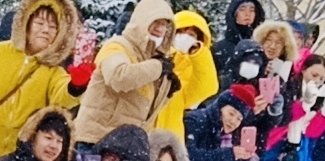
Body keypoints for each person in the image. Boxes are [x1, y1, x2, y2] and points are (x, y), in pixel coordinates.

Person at [0, 0, 81, 161]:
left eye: (53, 27)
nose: (46, 30)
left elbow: (63, 99)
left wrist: (76, 85)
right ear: (26, 24)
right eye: (39, 23)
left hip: (18, 160)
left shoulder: (54, 71)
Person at [71, 0, 177, 149]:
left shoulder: (153, 60)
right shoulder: (116, 46)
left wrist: (166, 92)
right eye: (155, 21)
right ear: (142, 20)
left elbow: (143, 113)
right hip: (94, 141)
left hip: (125, 148)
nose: (160, 28)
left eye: (165, 24)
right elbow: (119, 77)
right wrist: (157, 67)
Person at [153, 10, 216, 140]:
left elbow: (208, 86)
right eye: (180, 31)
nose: (184, 37)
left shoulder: (193, 71)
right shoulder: (152, 54)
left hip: (168, 140)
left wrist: (197, 53)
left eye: (191, 35)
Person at [210, 0, 261, 79]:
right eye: (242, 9)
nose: (247, 14)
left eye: (252, 10)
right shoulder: (219, 48)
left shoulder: (261, 47)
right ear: (234, 14)